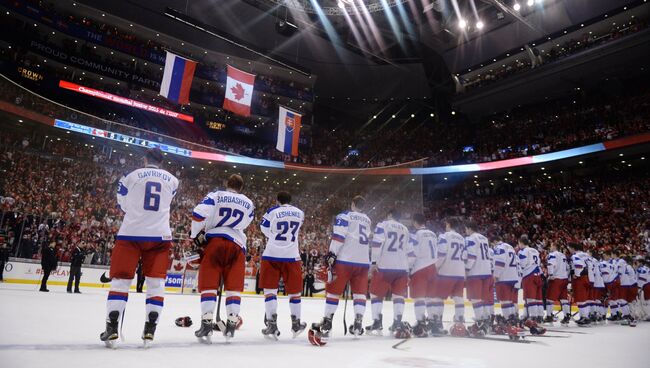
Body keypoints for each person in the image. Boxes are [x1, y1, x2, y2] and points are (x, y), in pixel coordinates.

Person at [99, 148, 179, 347]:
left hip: (131, 233)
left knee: (120, 282)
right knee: (156, 283)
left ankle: (112, 328)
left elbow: (123, 204)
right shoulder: (172, 180)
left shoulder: (130, 176)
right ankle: (150, 330)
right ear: (161, 162)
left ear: (145, 160)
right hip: (160, 235)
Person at [192, 174, 255, 342]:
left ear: (227, 183)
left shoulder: (216, 195)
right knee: (234, 288)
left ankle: (206, 323)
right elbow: (246, 223)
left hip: (216, 241)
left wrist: (195, 236)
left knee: (209, 284)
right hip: (237, 245)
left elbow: (197, 214)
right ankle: (231, 325)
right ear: (241, 188)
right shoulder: (249, 203)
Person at [309, 196, 371, 345]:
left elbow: (339, 236)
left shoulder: (345, 216)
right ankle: (358, 322)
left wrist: (332, 254)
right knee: (359, 293)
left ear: (353, 204)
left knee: (333, 292)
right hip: (363, 262)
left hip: (345, 259)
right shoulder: (368, 220)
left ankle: (328, 322)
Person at [258, 191, 306, 339]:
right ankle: (296, 324)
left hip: (271, 253)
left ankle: (271, 324)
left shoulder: (272, 211)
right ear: (290, 200)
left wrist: (274, 236)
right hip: (292, 255)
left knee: (270, 291)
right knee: (295, 292)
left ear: (277, 200)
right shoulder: (299, 213)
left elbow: (263, 228)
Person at [365, 208, 414, 337]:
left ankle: (377, 321)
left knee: (376, 294)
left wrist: (374, 262)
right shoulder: (405, 229)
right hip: (402, 267)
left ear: (390, 215)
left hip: (385, 266)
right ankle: (397, 322)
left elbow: (377, 244)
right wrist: (408, 269)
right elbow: (410, 251)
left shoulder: (383, 225)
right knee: (399, 297)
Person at [430, 218, 467, 336]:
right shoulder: (462, 238)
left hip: (446, 271)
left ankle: (438, 324)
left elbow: (441, 254)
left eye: (446, 224)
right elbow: (465, 256)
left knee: (437, 298)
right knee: (458, 298)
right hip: (460, 272)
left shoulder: (444, 236)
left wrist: (436, 267)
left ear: (449, 224)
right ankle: (460, 322)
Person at [408, 213, 437, 337]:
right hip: (433, 268)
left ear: (415, 222)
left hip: (420, 268)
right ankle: (432, 321)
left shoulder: (416, 234)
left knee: (419, 298)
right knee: (430, 298)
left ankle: (420, 323)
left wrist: (409, 268)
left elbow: (413, 253)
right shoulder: (433, 234)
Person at [463, 221, 492, 336]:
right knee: (483, 299)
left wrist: (467, 268)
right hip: (487, 271)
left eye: (466, 229)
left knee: (475, 299)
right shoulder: (484, 238)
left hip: (476, 271)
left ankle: (480, 324)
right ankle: (485, 321)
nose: (465, 231)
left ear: (469, 228)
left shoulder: (471, 238)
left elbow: (471, 256)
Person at [491, 235, 523, 337]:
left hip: (504, 277)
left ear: (494, 242)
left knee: (504, 302)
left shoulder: (499, 248)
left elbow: (500, 262)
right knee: (509, 301)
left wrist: (496, 276)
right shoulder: (510, 247)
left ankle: (509, 325)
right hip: (513, 277)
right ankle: (513, 322)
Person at [517, 235, 545, 334]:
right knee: (537, 298)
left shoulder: (523, 251)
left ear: (521, 242)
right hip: (537, 274)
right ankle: (538, 316)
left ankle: (532, 319)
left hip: (528, 275)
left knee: (530, 299)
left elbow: (523, 264)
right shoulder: (535, 250)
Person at [545, 243, 570, 324]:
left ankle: (549, 316)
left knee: (549, 299)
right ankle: (567, 316)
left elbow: (550, 265)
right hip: (564, 278)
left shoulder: (552, 254)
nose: (550, 247)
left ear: (555, 246)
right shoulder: (563, 255)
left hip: (556, 278)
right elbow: (568, 267)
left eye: (551, 246)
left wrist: (550, 275)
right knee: (564, 299)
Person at [568, 242, 591, 325]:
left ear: (573, 248)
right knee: (585, 299)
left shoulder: (575, 256)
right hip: (587, 277)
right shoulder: (586, 255)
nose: (569, 250)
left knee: (581, 299)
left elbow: (578, 266)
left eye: (569, 248)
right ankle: (584, 316)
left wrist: (576, 275)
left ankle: (585, 317)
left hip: (580, 278)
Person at [619, 256, 638, 326]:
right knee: (629, 302)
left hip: (630, 286)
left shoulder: (626, 267)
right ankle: (628, 317)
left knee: (629, 302)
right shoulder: (630, 267)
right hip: (632, 285)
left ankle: (632, 318)